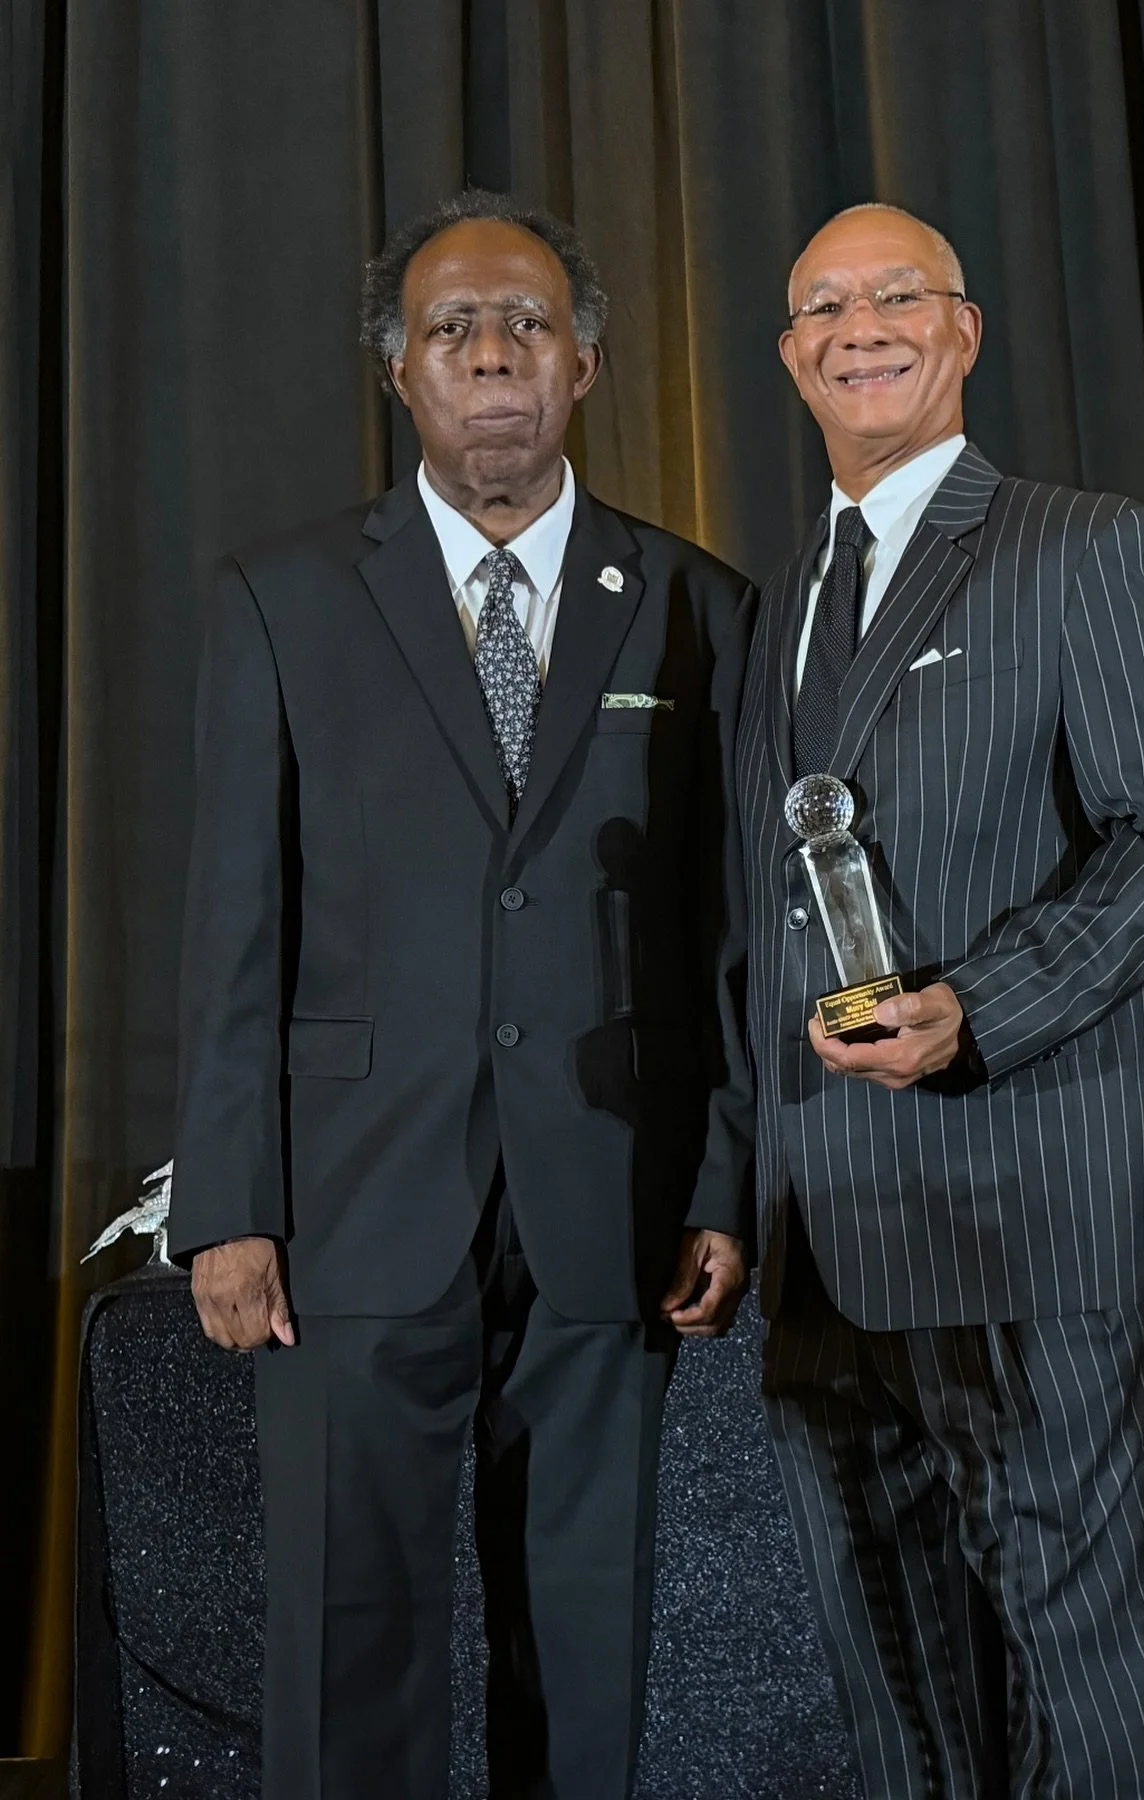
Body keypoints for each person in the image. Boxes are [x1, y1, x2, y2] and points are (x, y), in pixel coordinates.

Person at [167, 188, 754, 1800]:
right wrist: (229, 1201)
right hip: (350, 1202)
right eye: (451, 329)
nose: (491, 352)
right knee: (347, 1629)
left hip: (610, 1201)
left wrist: (719, 1176)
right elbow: (233, 921)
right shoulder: (280, 599)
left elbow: (724, 934)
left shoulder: (700, 608)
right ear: (399, 375)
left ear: (585, 365)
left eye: (528, 325)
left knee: (583, 1627)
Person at [738, 203, 1144, 1797]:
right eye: (824, 305)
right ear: (789, 357)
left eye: (900, 296)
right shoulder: (776, 606)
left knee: (1067, 1674)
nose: (859, 325)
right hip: (823, 1227)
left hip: (1024, 1203)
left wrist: (979, 1004)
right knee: (888, 1674)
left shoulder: (1090, 545)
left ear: (964, 333)